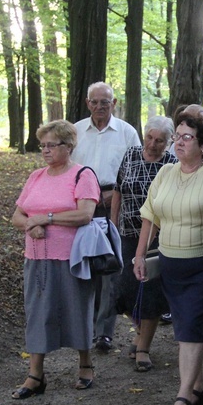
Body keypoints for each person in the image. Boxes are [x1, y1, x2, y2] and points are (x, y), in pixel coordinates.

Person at [133, 116, 203, 405]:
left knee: (192, 327)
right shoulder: (165, 172)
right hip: (171, 264)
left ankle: (183, 396)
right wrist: (139, 256)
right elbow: (150, 216)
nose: (180, 141)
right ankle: (198, 388)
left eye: (188, 137)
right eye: (179, 136)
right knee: (184, 326)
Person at [10, 120, 99, 399]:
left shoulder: (82, 175)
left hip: (72, 257)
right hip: (36, 258)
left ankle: (85, 365)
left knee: (77, 309)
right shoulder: (36, 176)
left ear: (68, 146)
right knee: (37, 312)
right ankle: (35, 375)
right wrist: (31, 225)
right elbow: (17, 215)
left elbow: (85, 214)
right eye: (43, 145)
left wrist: (46, 218)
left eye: (51, 145)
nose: (45, 151)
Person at [72, 82, 140, 351]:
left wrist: (118, 193)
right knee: (85, 263)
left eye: (105, 102)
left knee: (110, 266)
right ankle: (84, 327)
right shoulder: (76, 131)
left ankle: (104, 332)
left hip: (115, 203)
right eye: (95, 101)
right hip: (82, 206)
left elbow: (136, 168)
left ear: (114, 103)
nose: (100, 106)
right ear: (88, 103)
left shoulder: (126, 132)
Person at [110, 116, 176, 371]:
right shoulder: (131, 155)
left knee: (150, 293)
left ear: (168, 142)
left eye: (159, 140)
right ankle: (140, 334)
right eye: (149, 137)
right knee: (123, 292)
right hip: (127, 233)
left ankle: (144, 348)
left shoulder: (171, 164)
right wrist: (113, 223)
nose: (152, 144)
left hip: (156, 239)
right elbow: (118, 189)